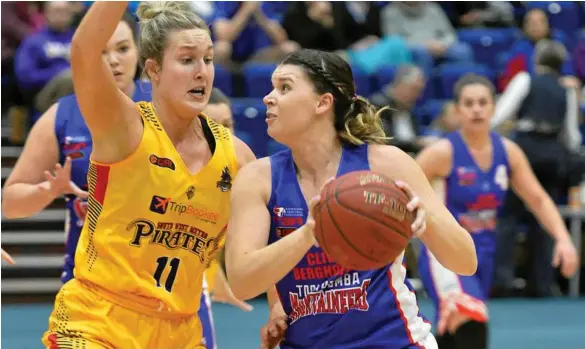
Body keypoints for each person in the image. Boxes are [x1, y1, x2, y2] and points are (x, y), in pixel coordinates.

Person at [33, 2, 254, 348]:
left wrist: (278, 306)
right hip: (98, 321)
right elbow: (84, 51)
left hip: (179, 331)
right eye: (186, 60)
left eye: (208, 60)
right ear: (153, 69)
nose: (202, 72)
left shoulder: (238, 156)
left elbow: (260, 249)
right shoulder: (125, 126)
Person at [225, 48, 478, 349]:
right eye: (271, 87)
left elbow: (465, 262)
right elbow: (241, 283)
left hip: (397, 341)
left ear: (323, 102)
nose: (269, 97)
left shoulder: (385, 164)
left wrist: (427, 221)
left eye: (285, 87)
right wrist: (308, 234)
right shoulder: (258, 179)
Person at [415, 74, 579, 349]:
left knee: (454, 328)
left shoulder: (509, 152)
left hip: (483, 253)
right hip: (445, 254)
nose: (476, 109)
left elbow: (538, 199)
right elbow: (400, 187)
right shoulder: (442, 153)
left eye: (482, 102)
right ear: (457, 111)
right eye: (468, 103)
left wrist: (563, 239)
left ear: (493, 108)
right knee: (472, 318)